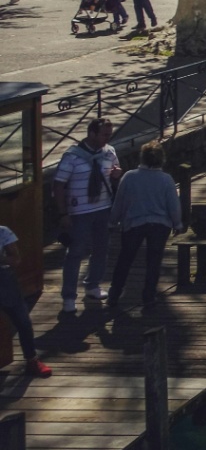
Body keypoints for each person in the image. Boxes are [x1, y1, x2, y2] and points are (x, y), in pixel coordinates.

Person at [52, 119, 120, 313]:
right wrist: (63, 213)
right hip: (79, 211)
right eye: (104, 134)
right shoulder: (72, 156)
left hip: (103, 209)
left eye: (109, 134)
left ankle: (93, 285)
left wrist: (116, 176)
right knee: (75, 253)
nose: (108, 137)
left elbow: (114, 177)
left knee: (101, 249)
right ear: (91, 134)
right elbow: (58, 185)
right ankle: (69, 296)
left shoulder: (110, 152)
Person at [108, 152, 183, 309]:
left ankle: (114, 294)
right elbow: (173, 205)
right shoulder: (166, 179)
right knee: (153, 262)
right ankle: (148, 296)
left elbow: (119, 201)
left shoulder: (129, 176)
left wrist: (113, 221)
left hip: (134, 223)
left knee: (125, 259)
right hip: (159, 224)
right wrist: (177, 224)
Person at [0, 226, 51, 376]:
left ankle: (32, 360)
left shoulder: (3, 231)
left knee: (23, 321)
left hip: (4, 279)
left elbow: (16, 259)